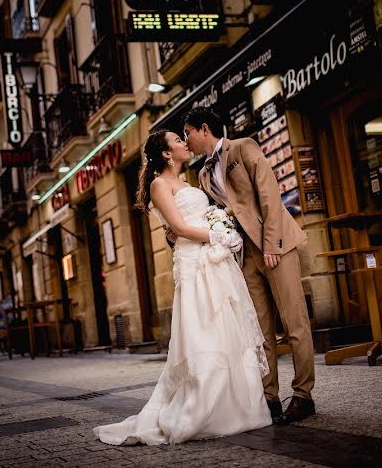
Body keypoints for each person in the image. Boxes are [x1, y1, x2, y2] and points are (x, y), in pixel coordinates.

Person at [94, 131, 270, 446]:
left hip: (214, 261)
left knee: (225, 327)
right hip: (194, 262)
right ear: (165, 153)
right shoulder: (160, 185)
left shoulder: (189, 182)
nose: (184, 143)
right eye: (178, 140)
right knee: (203, 328)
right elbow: (178, 228)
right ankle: (200, 409)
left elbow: (195, 221)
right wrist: (218, 236)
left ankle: (237, 406)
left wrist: (222, 224)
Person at [181, 107, 316, 424]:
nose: (186, 141)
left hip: (274, 246)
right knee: (260, 332)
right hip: (244, 258)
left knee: (294, 323)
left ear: (203, 129)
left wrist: (272, 243)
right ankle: (269, 399)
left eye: (187, 133)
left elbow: (269, 193)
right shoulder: (202, 175)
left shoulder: (243, 147)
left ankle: (303, 396)